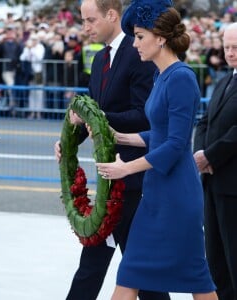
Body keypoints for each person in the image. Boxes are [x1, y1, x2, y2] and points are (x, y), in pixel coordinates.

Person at [95, 1, 218, 299]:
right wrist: (121, 136)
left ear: (160, 37)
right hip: (157, 193)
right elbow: (159, 134)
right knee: (130, 273)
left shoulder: (181, 78)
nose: (135, 44)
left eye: (139, 36)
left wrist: (126, 168)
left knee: (197, 280)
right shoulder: (160, 76)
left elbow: (176, 145)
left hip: (177, 196)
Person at [55, 0, 170, 299]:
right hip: (109, 177)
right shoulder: (98, 60)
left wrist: (99, 119)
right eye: (83, 21)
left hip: (134, 180)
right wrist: (68, 142)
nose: (85, 28)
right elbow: (94, 113)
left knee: (139, 268)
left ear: (112, 15)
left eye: (90, 20)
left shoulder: (139, 53)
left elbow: (143, 116)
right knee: (97, 262)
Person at [193, 22, 237, 300]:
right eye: (228, 47)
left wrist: (210, 156)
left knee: (235, 259)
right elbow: (204, 123)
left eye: (236, 47)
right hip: (213, 182)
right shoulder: (224, 81)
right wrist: (200, 155)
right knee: (216, 260)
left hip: (233, 187)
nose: (230, 52)